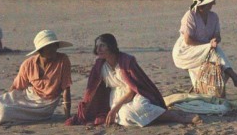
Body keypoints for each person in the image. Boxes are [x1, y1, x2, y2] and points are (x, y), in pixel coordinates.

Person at [66, 33, 201, 127]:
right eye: (97, 46)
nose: (98, 49)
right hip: (116, 97)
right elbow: (93, 90)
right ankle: (158, 118)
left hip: (133, 94)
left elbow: (134, 87)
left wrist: (114, 109)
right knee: (124, 116)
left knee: (142, 106)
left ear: (111, 46)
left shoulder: (126, 61)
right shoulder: (100, 65)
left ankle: (176, 116)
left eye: (102, 46)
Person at [0, 30, 72, 125]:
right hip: (29, 95)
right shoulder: (28, 64)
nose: (53, 49)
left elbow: (66, 89)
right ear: (41, 50)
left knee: (4, 113)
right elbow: (16, 87)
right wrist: (8, 100)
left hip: (45, 105)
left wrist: (67, 117)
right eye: (49, 47)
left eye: (54, 46)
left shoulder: (63, 60)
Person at [172, 0, 237, 94]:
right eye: (211, 1)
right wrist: (207, 45)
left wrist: (215, 41)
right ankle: (236, 78)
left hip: (206, 51)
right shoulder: (190, 16)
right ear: (203, 4)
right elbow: (188, 41)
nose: (214, 4)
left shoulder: (213, 17)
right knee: (215, 52)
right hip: (185, 52)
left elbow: (217, 36)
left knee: (215, 56)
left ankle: (206, 88)